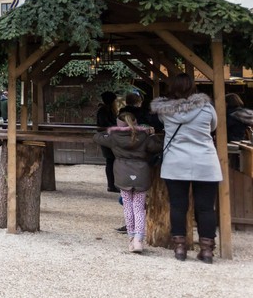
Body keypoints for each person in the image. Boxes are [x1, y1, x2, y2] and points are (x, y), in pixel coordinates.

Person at [150, 73, 222, 263]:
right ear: (193, 87)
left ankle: (180, 248)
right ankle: (207, 250)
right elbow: (213, 127)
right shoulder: (207, 108)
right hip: (205, 161)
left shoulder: (165, 111)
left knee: (178, 206)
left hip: (176, 161)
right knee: (206, 208)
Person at [94, 111, 162, 253]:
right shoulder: (144, 136)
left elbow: (97, 137)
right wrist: (152, 134)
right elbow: (157, 147)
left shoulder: (114, 137)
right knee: (139, 208)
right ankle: (138, 240)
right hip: (141, 172)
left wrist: (110, 130)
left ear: (119, 124)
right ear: (135, 121)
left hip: (122, 173)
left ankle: (131, 237)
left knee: (127, 206)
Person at [96, 91, 119, 193]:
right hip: (106, 137)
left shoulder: (107, 110)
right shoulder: (103, 110)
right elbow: (104, 124)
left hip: (110, 136)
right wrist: (117, 126)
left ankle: (112, 184)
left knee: (111, 160)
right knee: (110, 160)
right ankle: (111, 185)